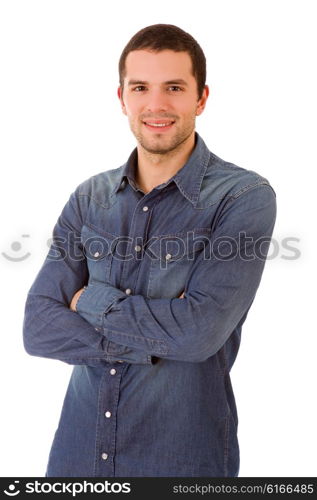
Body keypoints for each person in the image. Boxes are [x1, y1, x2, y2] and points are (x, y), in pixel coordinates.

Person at [23, 24, 276, 477]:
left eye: (174, 88)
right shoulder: (89, 197)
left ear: (201, 98)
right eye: (140, 87)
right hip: (76, 460)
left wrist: (88, 301)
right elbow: (39, 327)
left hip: (181, 463)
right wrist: (159, 334)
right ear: (122, 98)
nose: (156, 105)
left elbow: (198, 333)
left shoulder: (242, 197)